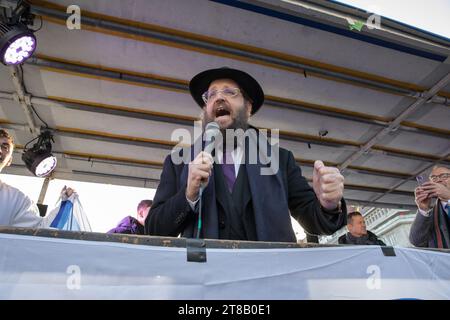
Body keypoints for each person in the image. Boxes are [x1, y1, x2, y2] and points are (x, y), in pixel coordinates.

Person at [147, 67, 347, 242]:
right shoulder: (179, 162)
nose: (218, 97)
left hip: (270, 278)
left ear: (248, 106)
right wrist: (188, 195)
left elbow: (315, 221)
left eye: (230, 92)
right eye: (211, 94)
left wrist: (329, 205)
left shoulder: (281, 160)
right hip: (205, 279)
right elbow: (154, 230)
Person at [0, 129, 73, 227]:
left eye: (5, 147)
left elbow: (39, 230)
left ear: (9, 160)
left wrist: (64, 205)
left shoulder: (17, 200)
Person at [409, 165, 450, 248]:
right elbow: (417, 241)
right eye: (434, 178)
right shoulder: (431, 215)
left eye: (444, 176)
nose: (438, 180)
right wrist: (423, 209)